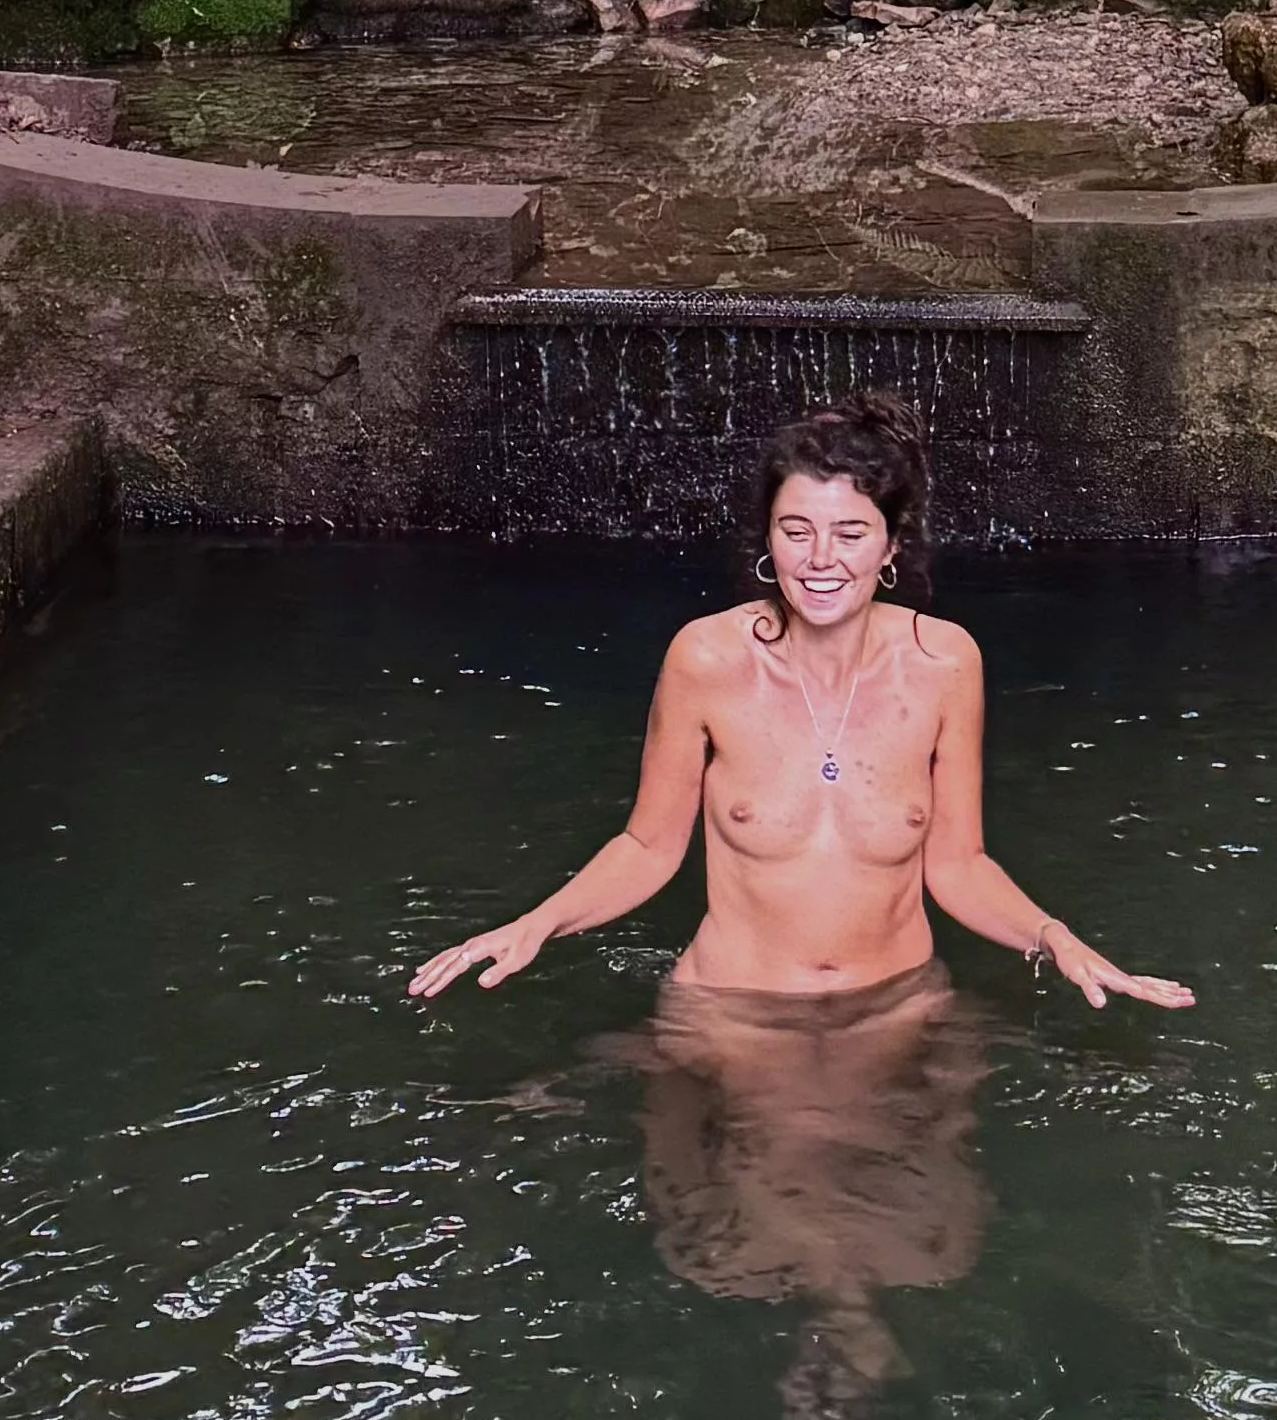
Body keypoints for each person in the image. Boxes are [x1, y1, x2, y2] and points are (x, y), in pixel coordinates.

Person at [408, 391, 1193, 1024]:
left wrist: (1054, 939)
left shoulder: (946, 662)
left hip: (899, 1007)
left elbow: (958, 864)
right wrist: (535, 923)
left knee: (931, 1219)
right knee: (770, 1217)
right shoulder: (706, 658)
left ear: (890, 547)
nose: (821, 560)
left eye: (851, 533)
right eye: (797, 531)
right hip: (733, 1012)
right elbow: (648, 847)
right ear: (768, 539)